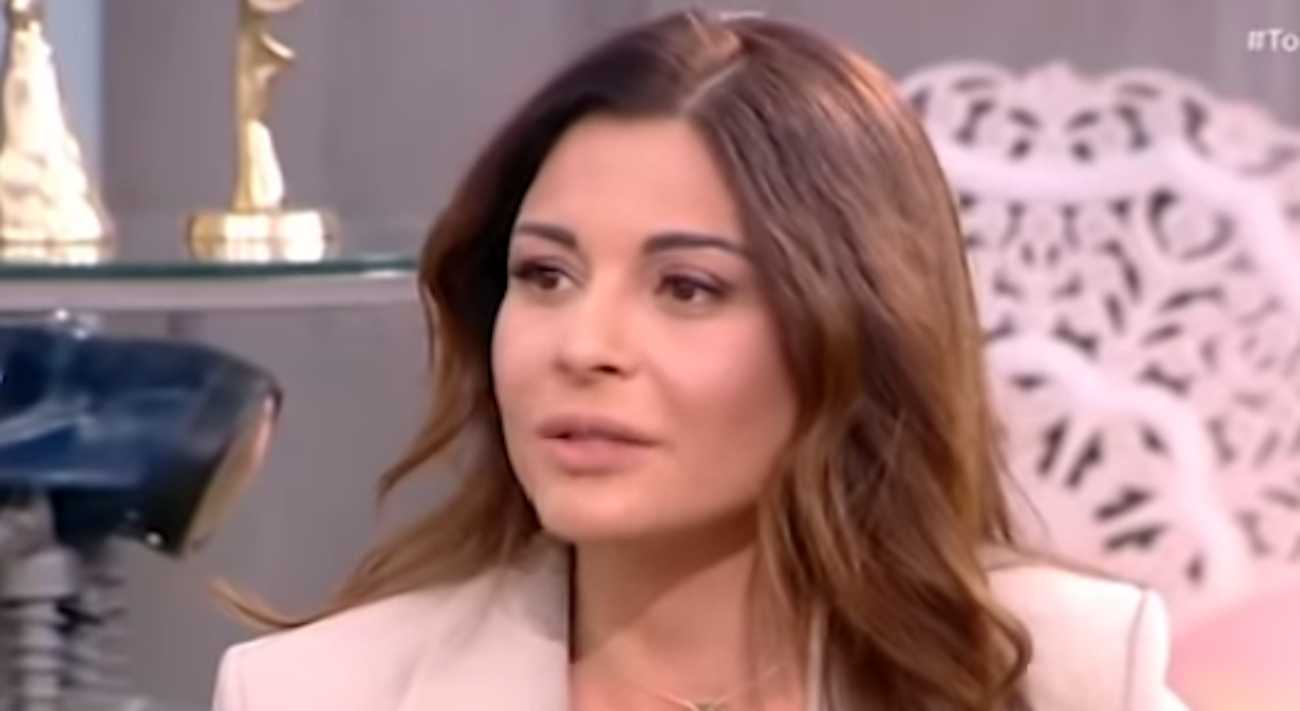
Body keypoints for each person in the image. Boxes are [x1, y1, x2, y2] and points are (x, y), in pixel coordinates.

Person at [211, 9, 1189, 711]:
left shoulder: (1068, 674)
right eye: (546, 274)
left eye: (687, 288)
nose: (584, 347)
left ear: (851, 330)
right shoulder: (316, 693)